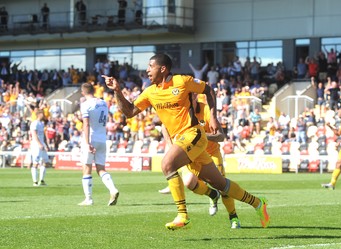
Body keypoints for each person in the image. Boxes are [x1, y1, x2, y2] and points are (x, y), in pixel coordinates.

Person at [103, 53, 269, 230]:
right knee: (221, 184)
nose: (147, 70)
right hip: (183, 142)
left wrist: (213, 117)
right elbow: (129, 112)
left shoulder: (182, 81)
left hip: (193, 134)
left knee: (167, 164)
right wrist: (117, 90)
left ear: (163, 68)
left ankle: (182, 215)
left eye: (151, 66)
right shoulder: (150, 92)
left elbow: (208, 89)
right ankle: (258, 203)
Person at [158, 93, 242, 229]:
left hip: (211, 152)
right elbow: (165, 126)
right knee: (189, 182)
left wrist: (200, 135)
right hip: (193, 153)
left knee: (223, 186)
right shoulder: (180, 111)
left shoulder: (206, 110)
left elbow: (221, 136)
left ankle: (233, 217)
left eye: (188, 98)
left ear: (195, 97)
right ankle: (212, 194)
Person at [79, 83, 119, 206]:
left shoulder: (85, 105)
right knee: (101, 168)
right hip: (102, 138)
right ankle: (113, 189)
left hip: (91, 137)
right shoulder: (103, 103)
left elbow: (86, 124)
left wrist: (87, 143)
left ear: (83, 92)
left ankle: (89, 199)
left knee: (87, 168)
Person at [29, 109, 49, 186]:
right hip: (36, 145)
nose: (43, 115)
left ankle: (42, 180)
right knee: (35, 163)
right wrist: (39, 144)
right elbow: (34, 135)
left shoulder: (41, 123)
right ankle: (35, 182)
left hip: (41, 144)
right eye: (42, 113)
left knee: (45, 162)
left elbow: (42, 136)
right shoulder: (34, 123)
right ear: (39, 114)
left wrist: (44, 144)